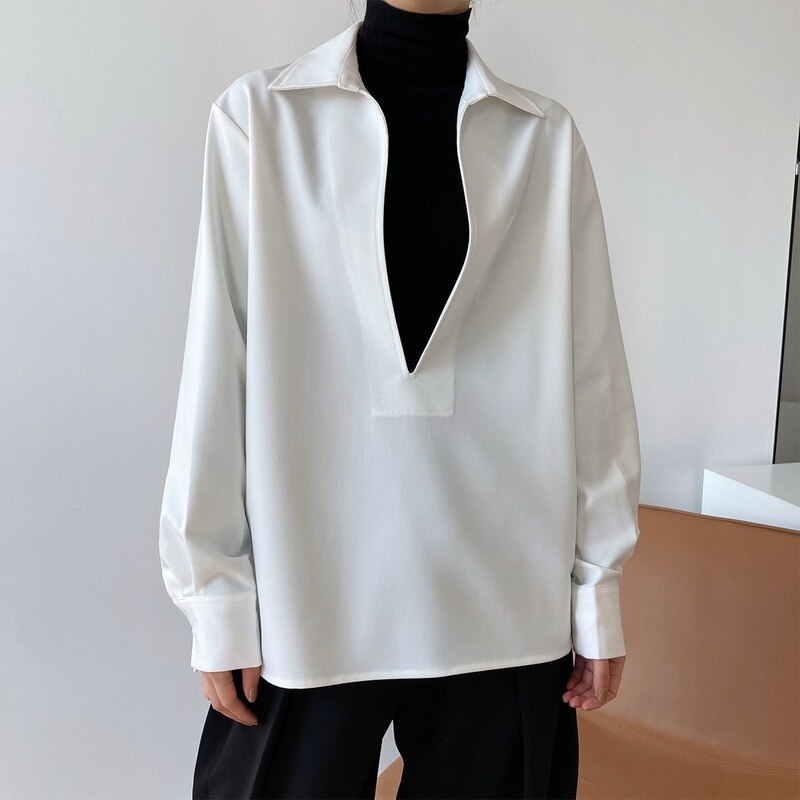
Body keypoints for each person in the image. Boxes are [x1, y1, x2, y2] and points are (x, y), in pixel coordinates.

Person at [158, 0, 643, 797]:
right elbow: (218, 364)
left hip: (506, 596)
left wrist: (598, 590)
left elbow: (594, 375)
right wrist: (215, 593)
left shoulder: (545, 139)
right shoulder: (260, 119)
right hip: (308, 593)